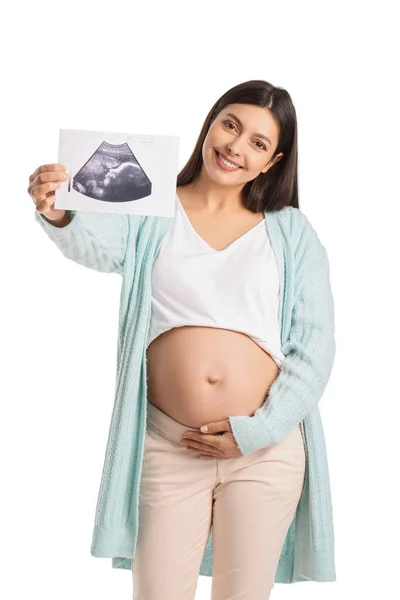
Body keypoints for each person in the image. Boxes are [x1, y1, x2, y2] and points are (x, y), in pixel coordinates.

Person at [28, 79, 336, 600]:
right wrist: (58, 212)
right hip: (167, 446)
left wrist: (257, 430)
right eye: (230, 125)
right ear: (211, 123)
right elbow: (93, 244)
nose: (236, 147)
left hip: (264, 451)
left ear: (273, 161)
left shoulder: (290, 231)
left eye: (258, 143)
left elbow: (316, 347)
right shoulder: (151, 208)